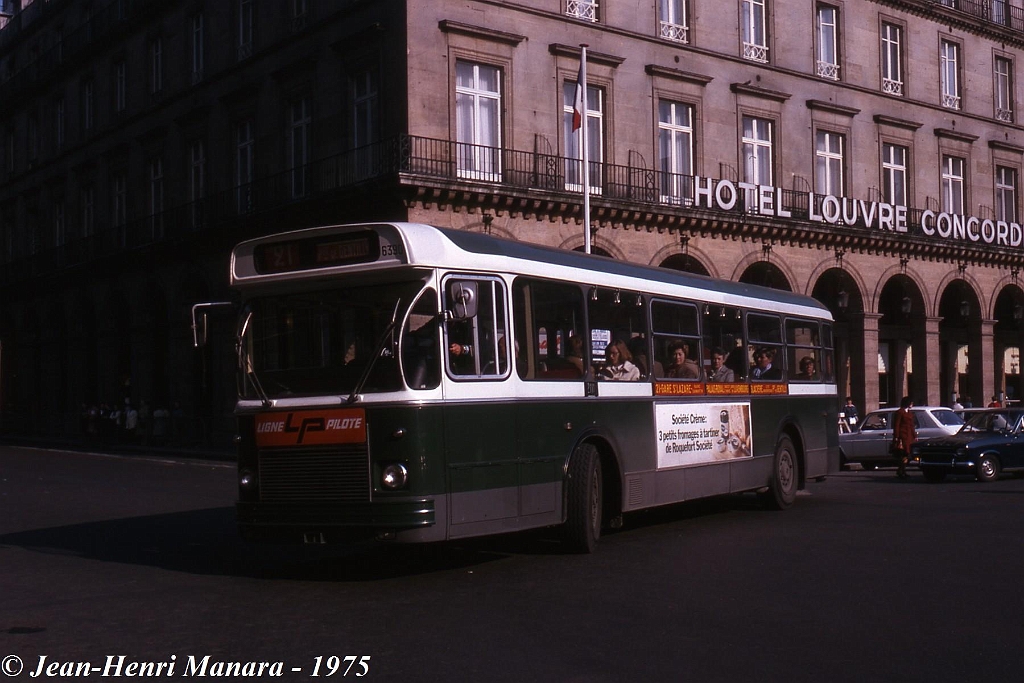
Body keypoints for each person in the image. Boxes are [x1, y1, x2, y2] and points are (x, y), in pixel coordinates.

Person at [891, 395, 916, 479]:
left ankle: (901, 470)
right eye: (911, 403)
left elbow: (912, 425)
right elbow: (897, 425)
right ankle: (902, 470)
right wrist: (896, 436)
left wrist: (914, 435)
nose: (912, 404)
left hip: (909, 436)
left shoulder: (909, 412)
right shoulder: (900, 412)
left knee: (908, 454)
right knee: (904, 453)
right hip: (902, 435)